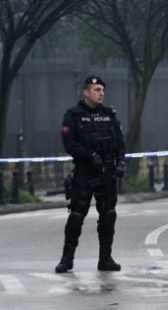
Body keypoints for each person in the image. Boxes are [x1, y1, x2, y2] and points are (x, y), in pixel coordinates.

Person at [55, 76, 126, 273]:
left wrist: (121, 162)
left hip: (108, 172)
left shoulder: (109, 115)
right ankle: (67, 259)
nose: (101, 93)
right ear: (86, 92)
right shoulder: (73, 115)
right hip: (85, 171)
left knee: (108, 215)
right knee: (77, 215)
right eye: (96, 89)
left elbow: (120, 142)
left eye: (103, 89)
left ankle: (105, 258)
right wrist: (90, 155)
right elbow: (69, 144)